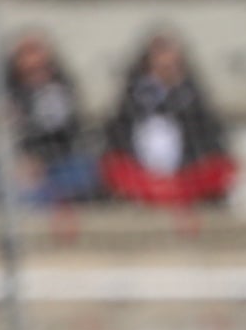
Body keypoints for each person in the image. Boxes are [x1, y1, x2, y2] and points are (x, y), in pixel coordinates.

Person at [0, 32, 104, 208]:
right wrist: (13, 161)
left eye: (37, 53)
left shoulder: (61, 93)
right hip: (5, 164)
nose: (33, 62)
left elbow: (68, 136)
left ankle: (32, 201)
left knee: (82, 170)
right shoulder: (0, 93)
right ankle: (29, 202)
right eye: (26, 54)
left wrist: (39, 161)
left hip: (52, 165)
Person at [99, 31, 236, 207]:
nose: (167, 67)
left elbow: (208, 134)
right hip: (141, 173)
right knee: (110, 168)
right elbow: (118, 132)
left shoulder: (191, 95)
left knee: (223, 169)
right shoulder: (134, 93)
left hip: (185, 174)